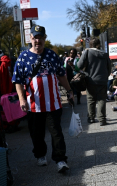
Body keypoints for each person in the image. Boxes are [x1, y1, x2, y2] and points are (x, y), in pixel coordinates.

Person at [12, 25, 73, 173]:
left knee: (56, 132)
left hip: (53, 103)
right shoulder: (23, 58)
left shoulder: (52, 55)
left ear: (45, 38)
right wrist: (21, 100)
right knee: (36, 133)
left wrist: (69, 90)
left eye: (40, 37)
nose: (37, 40)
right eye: (35, 37)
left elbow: (61, 75)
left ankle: (60, 160)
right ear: (30, 38)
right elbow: (18, 81)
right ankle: (40, 155)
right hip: (34, 104)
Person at [77, 37, 111, 126]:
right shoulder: (105, 54)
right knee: (101, 99)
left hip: (90, 80)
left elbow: (79, 65)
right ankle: (102, 119)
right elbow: (109, 67)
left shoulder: (87, 52)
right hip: (102, 80)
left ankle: (91, 118)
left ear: (90, 44)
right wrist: (105, 76)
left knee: (91, 99)